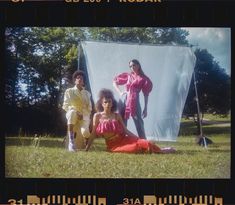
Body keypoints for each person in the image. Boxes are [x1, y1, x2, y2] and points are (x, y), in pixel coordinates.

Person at [85, 89, 175, 154]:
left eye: (109, 102)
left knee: (145, 142)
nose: (108, 104)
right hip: (113, 145)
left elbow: (125, 130)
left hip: (123, 139)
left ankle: (162, 150)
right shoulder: (97, 116)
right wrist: (87, 148)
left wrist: (139, 139)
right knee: (135, 148)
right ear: (101, 104)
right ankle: (154, 149)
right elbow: (93, 133)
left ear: (112, 103)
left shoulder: (117, 115)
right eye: (105, 102)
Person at [113, 59, 152, 139]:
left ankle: (143, 141)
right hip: (124, 99)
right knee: (122, 120)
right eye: (130, 66)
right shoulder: (128, 76)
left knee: (138, 121)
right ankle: (121, 140)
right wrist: (120, 92)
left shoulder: (144, 79)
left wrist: (145, 108)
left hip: (134, 99)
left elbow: (146, 94)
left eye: (134, 65)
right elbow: (114, 82)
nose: (132, 67)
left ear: (138, 65)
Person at [62, 70, 92, 151]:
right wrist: (76, 111)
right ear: (75, 80)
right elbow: (65, 105)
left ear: (83, 82)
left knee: (85, 132)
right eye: (77, 78)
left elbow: (89, 108)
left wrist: (83, 115)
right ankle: (71, 143)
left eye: (81, 78)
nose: (79, 79)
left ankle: (87, 142)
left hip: (84, 116)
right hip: (72, 113)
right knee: (72, 113)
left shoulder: (87, 93)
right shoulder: (69, 91)